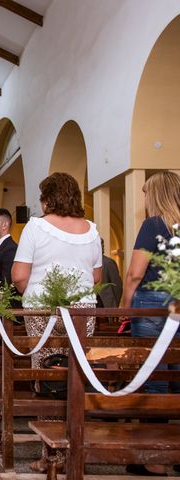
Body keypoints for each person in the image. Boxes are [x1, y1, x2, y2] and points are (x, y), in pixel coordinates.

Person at [11, 172, 102, 473]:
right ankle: (74, 447)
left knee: (47, 376)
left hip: (42, 311)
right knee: (75, 377)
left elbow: (19, 275)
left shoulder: (35, 227)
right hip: (82, 313)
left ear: (48, 198)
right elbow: (97, 278)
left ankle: (51, 455)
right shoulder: (92, 230)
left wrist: (34, 294)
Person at [119, 172, 180, 480]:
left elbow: (134, 273)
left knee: (154, 376)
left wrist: (123, 307)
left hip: (153, 304)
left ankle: (156, 459)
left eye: (145, 194)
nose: (143, 200)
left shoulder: (153, 224)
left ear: (155, 195)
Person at [97, 238, 122, 308]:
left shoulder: (109, 262)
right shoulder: (87, 262)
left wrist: (115, 305)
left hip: (106, 304)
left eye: (102, 245)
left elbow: (117, 286)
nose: (102, 247)